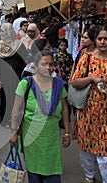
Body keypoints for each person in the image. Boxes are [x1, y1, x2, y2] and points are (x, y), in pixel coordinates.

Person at [70, 25, 107, 183]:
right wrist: (92, 78)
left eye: (106, 38)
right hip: (88, 111)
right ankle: (89, 176)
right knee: (87, 148)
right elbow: (75, 82)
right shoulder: (86, 58)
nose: (102, 42)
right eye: (99, 39)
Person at [10, 50, 71, 183]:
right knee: (34, 175)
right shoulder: (26, 84)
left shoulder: (59, 85)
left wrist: (67, 133)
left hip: (52, 138)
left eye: (51, 64)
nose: (48, 68)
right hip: (31, 139)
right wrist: (14, 133)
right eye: (44, 64)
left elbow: (65, 109)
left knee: (53, 175)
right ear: (35, 66)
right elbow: (15, 111)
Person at [0, 23, 29, 124]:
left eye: (5, 31)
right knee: (5, 98)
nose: (3, 34)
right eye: (2, 32)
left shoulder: (18, 45)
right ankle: (6, 120)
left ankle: (18, 119)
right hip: (4, 77)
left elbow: (24, 60)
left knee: (17, 97)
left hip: (17, 76)